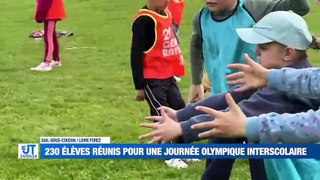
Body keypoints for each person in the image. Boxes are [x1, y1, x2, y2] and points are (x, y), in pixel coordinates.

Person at [139, 11, 320, 180]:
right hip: (280, 168)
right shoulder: (282, 76)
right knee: (229, 129)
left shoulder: (286, 91)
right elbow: (231, 97)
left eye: (263, 47)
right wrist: (180, 115)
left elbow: (236, 114)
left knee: (231, 125)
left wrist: (181, 129)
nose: (256, 52)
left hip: (297, 172)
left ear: (288, 53)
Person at [188, 0, 310, 102]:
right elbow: (196, 46)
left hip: (254, 96)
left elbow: (301, 8)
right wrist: (196, 82)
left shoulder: (254, 9)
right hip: (220, 95)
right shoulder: (201, 18)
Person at [130, 0, 187, 168]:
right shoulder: (143, 20)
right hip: (152, 78)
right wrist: (139, 86)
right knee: (162, 114)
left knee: (180, 109)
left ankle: (183, 151)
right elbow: (135, 54)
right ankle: (169, 154)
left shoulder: (166, 13)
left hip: (167, 76)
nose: (167, 1)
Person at [31, 0, 66, 71]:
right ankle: (56, 60)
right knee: (52, 36)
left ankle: (46, 63)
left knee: (48, 36)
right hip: (52, 11)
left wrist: (39, 15)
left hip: (51, 12)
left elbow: (45, 2)